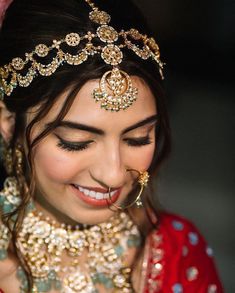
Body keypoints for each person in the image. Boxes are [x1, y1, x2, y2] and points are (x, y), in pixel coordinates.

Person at [0, 0, 223, 292]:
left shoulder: (175, 248)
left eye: (138, 138)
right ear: (7, 122)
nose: (114, 175)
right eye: (75, 143)